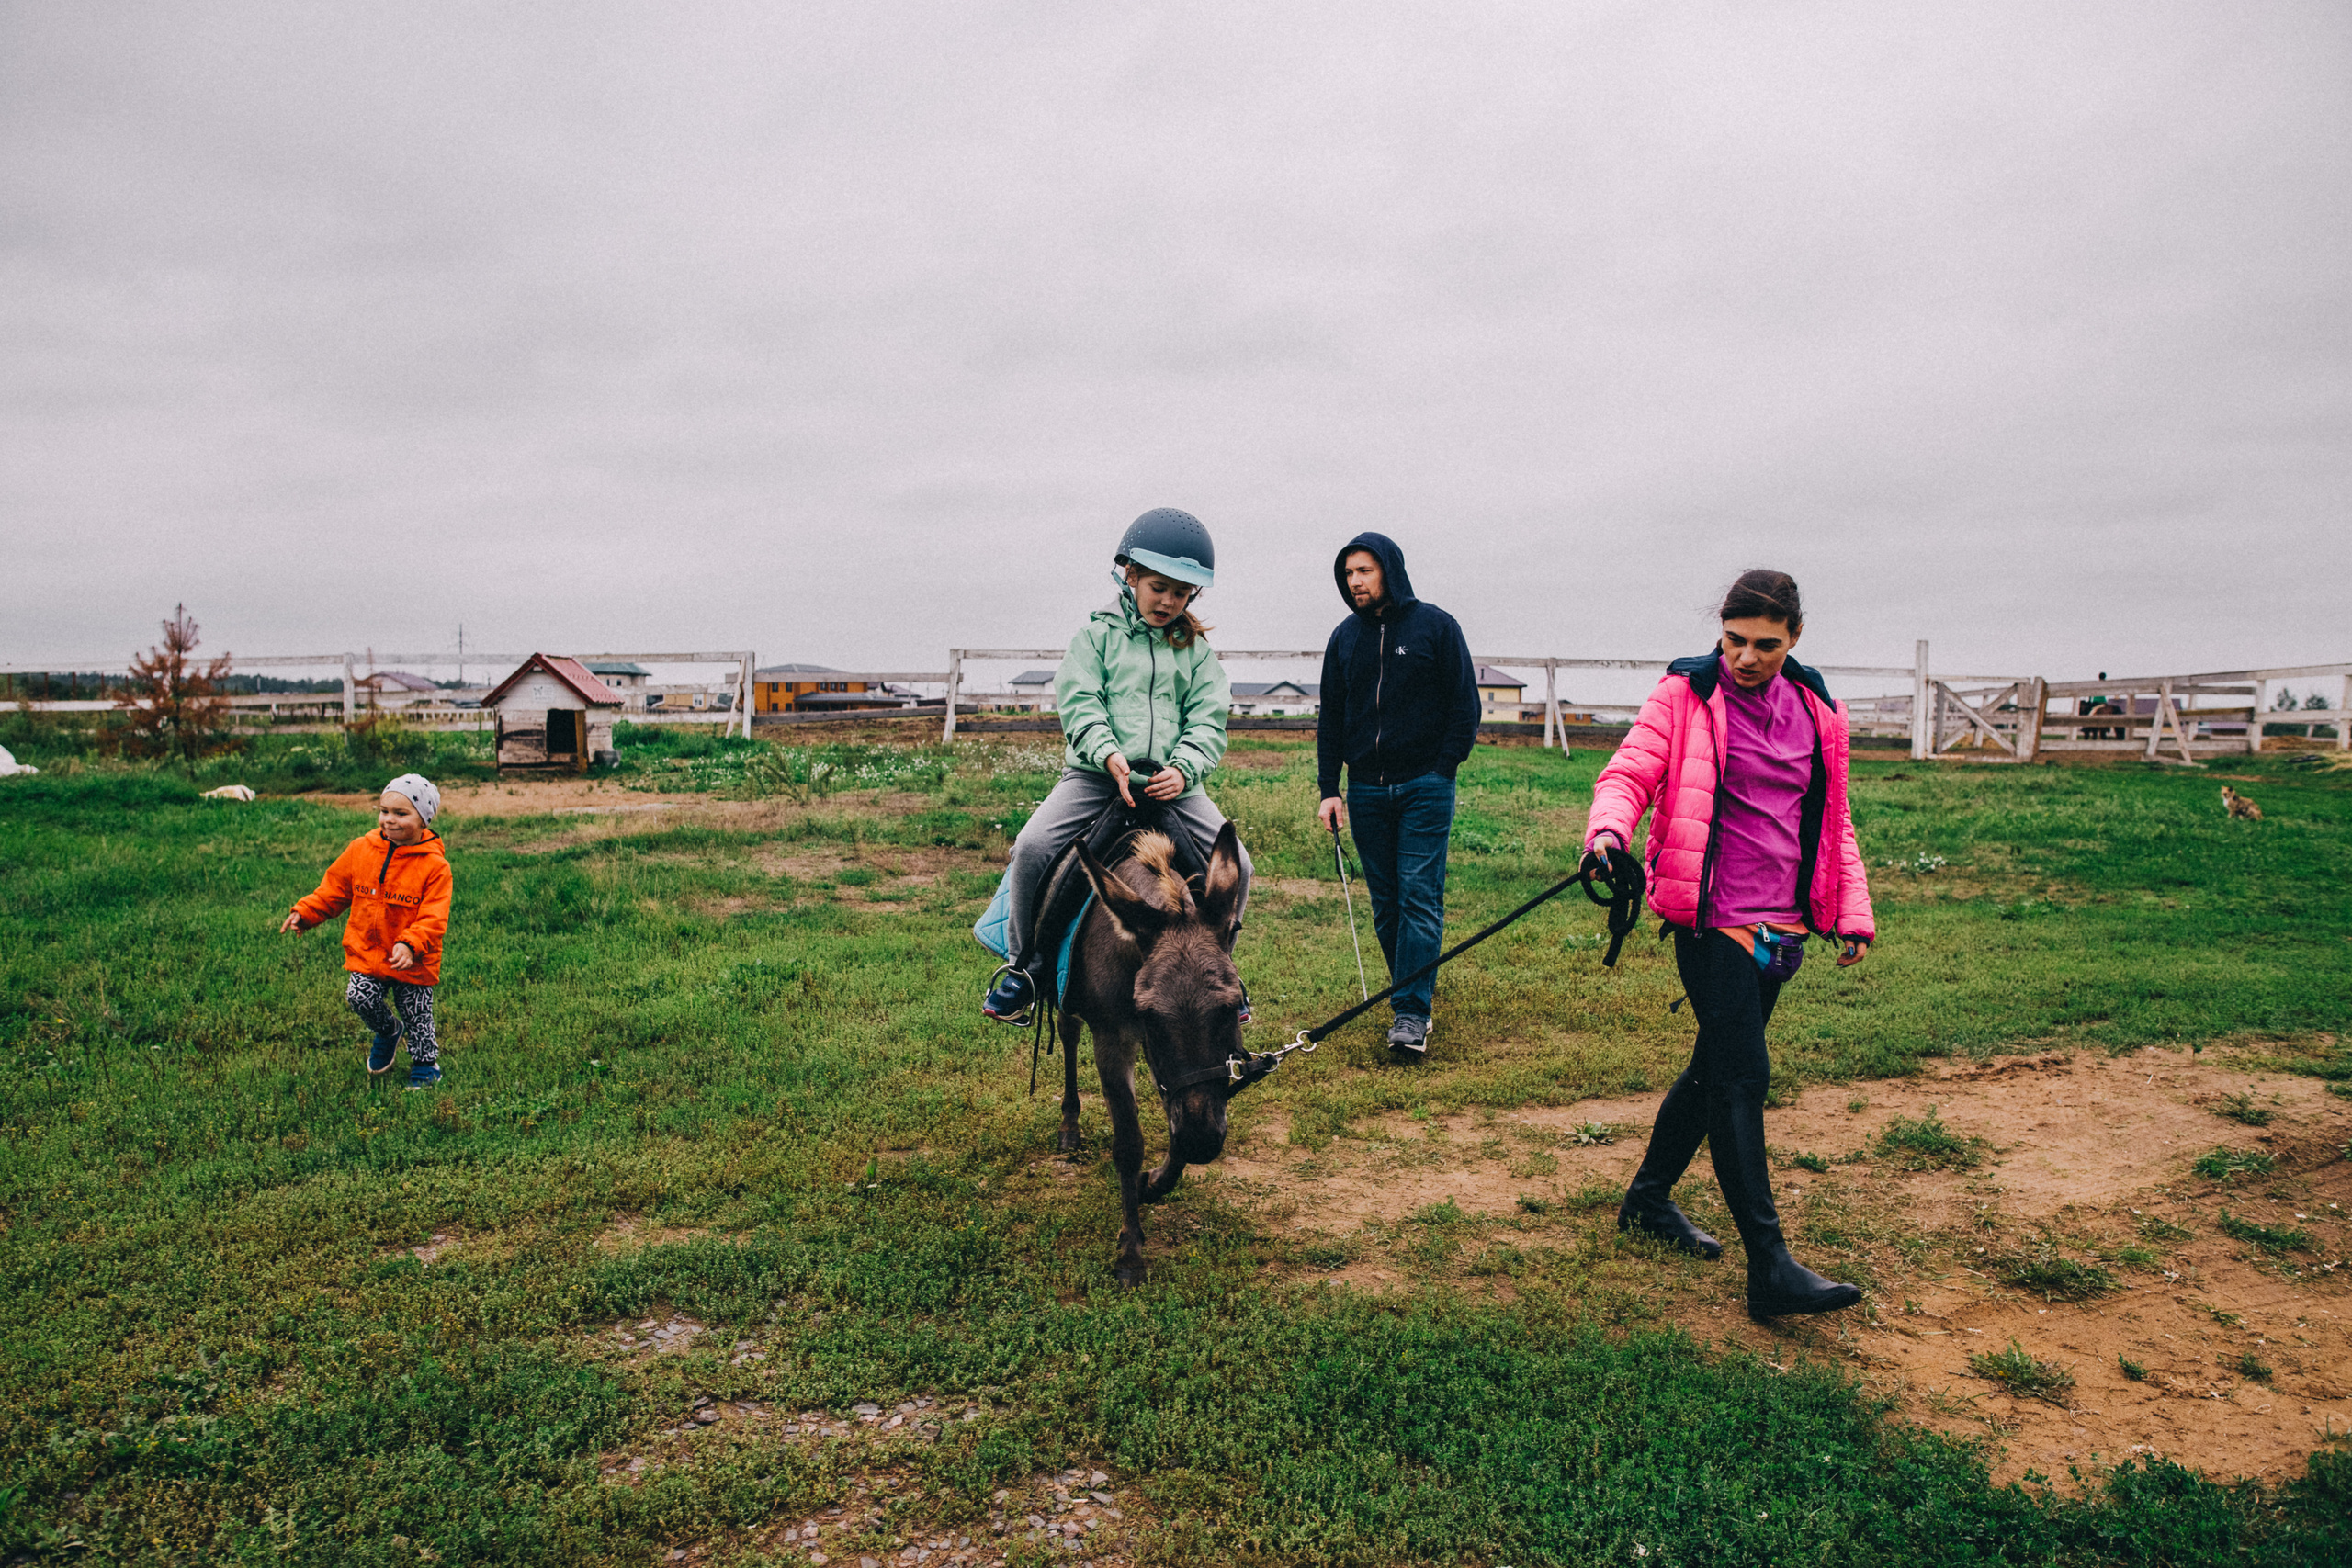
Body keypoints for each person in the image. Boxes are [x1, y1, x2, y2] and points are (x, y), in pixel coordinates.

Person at [1585, 570, 1877, 1319]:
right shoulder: (1685, 695)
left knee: (1714, 1065)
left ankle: (1648, 1199)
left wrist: (1850, 907)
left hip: (1782, 926)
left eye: (1765, 645)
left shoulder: (1817, 710)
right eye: (1734, 641)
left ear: (1796, 639)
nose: (1746, 658)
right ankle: (1770, 1264)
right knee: (1744, 1074)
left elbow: (1831, 818)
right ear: (1720, 632)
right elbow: (1628, 773)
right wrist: (1609, 833)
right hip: (1710, 917)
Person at [980, 508, 1253, 1024]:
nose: (1169, 601)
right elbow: (1081, 702)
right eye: (1159, 587)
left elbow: (1208, 719)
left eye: (1181, 593)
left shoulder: (1196, 651)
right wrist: (1109, 754)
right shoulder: (1094, 638)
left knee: (1239, 863)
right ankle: (1024, 967)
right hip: (1097, 775)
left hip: (1172, 784)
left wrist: (1185, 767)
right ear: (1130, 576)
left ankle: (1222, 973)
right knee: (1034, 847)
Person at [1314, 533, 1479, 1057]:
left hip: (1424, 787)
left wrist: (1443, 767)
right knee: (1386, 905)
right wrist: (1329, 789)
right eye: (1348, 574)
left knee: (1419, 896)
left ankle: (1411, 1013)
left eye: (1364, 570)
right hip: (1364, 790)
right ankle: (1413, 989)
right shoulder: (1344, 639)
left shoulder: (1435, 626)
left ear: (1388, 569)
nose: (1355, 582)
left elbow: (1464, 703)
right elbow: (1332, 719)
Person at [281, 773, 453, 1088]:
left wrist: (410, 944)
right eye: (384, 810)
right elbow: (334, 889)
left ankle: (426, 1063)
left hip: (412, 959)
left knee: (417, 1013)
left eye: (401, 814)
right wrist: (305, 913)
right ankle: (388, 1030)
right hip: (368, 951)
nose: (389, 820)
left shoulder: (435, 867)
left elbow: (434, 917)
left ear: (424, 819)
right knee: (359, 997)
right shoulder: (362, 849)